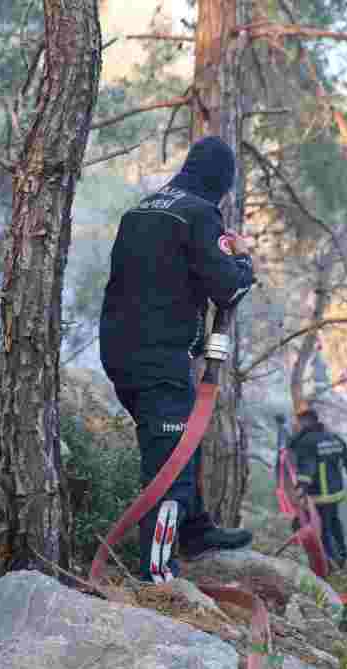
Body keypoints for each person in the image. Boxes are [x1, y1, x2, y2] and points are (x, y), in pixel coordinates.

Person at [99, 136, 256, 583]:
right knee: (171, 466)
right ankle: (157, 575)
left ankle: (193, 529)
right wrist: (244, 261)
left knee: (179, 442)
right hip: (157, 356)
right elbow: (229, 288)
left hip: (119, 350)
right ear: (221, 183)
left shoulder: (143, 208)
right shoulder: (199, 213)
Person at [288, 407, 347, 570]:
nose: (295, 427)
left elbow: (308, 467)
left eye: (298, 423)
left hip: (319, 495)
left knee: (322, 529)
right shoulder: (334, 438)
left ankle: (331, 562)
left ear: (305, 422)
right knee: (334, 523)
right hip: (335, 492)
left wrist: (301, 488)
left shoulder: (307, 442)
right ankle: (342, 556)